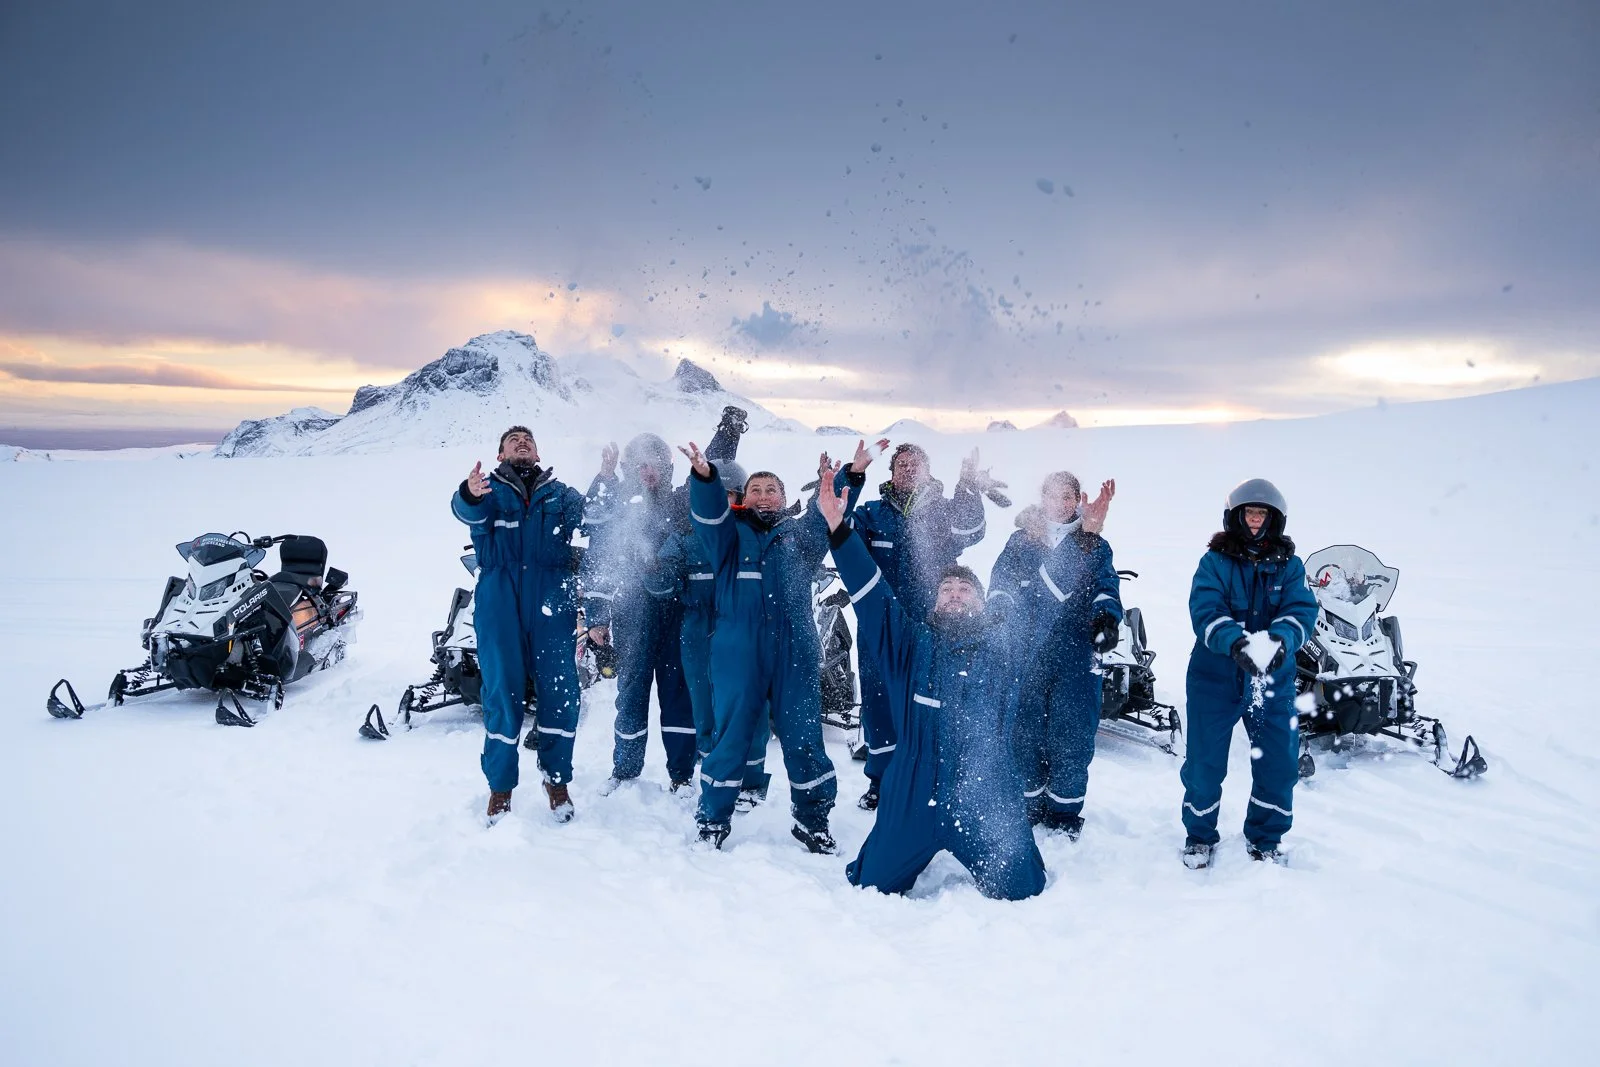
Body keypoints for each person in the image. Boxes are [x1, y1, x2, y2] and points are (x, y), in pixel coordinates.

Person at [816, 463, 1046, 900]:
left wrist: (1085, 539)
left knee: (1024, 888)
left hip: (984, 788)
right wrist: (837, 529)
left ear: (980, 603)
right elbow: (871, 591)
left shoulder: (1004, 649)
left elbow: (1046, 606)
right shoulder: (910, 643)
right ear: (934, 603)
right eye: (946, 590)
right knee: (870, 884)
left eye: (965, 590)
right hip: (912, 786)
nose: (955, 593)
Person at [681, 442, 838, 852]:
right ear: (743, 497)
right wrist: (705, 478)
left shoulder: (799, 536)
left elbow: (829, 514)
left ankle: (813, 820)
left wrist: (844, 479)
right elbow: (708, 515)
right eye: (756, 489)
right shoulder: (729, 536)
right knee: (730, 735)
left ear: (785, 499)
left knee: (804, 735)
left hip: (795, 650)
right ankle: (714, 818)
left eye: (772, 490)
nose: (764, 495)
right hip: (738, 648)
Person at [839, 442, 1005, 810]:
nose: (909, 469)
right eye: (901, 464)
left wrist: (967, 485)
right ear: (891, 473)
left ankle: (931, 779)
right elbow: (836, 526)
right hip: (880, 630)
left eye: (916, 464)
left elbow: (972, 528)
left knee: (931, 703)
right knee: (880, 703)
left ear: (930, 472)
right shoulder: (872, 514)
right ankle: (881, 781)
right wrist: (850, 476)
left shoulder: (943, 514)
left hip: (933, 632)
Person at [1180, 478, 1319, 868]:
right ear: (1235, 517)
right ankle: (1199, 836)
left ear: (1274, 520)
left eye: (1262, 514)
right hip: (1215, 677)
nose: (1255, 520)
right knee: (1205, 763)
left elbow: (1302, 610)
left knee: (1279, 761)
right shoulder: (1214, 562)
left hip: (1271, 680)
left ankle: (1265, 837)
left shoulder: (1290, 566)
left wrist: (1281, 641)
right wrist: (1234, 642)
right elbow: (1205, 610)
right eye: (1249, 513)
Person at [452, 425, 587, 823]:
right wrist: (469, 492)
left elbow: (597, 514)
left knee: (562, 695)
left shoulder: (562, 494)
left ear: (538, 451)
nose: (522, 443)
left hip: (553, 597)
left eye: (528, 440)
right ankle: (500, 790)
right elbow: (464, 510)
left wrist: (607, 476)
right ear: (500, 455)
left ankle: (556, 779)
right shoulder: (487, 491)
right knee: (502, 697)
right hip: (499, 597)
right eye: (513, 441)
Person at [988, 472, 1121, 839]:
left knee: (1073, 729)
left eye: (1068, 497)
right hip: (1027, 647)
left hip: (1078, 649)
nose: (1061, 504)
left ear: (1078, 500)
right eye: (1053, 496)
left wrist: (1106, 618)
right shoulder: (1022, 540)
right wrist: (999, 609)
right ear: (1042, 498)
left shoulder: (1096, 544)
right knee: (1024, 726)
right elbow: (1002, 580)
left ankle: (1064, 811)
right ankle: (1027, 802)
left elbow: (1106, 585)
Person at [648, 458, 775, 809]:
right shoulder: (684, 537)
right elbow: (660, 587)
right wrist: (656, 571)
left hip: (742, 630)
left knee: (752, 710)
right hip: (699, 630)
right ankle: (715, 777)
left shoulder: (753, 536)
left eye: (730, 495)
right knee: (704, 709)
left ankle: (750, 785)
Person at [583, 433, 699, 794]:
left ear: (668, 466)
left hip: (677, 610)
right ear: (629, 468)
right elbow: (598, 560)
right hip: (632, 611)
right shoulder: (618, 505)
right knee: (631, 692)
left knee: (678, 693)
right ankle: (625, 769)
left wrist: (727, 432)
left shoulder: (682, 501)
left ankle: (681, 773)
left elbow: (711, 483)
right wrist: (597, 616)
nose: (648, 470)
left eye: (655, 462)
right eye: (640, 463)